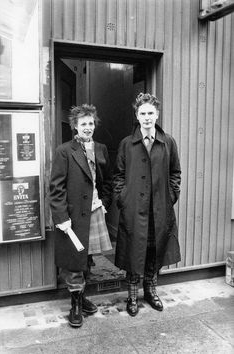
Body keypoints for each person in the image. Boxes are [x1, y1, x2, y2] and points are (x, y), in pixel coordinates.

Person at [113, 93, 181, 316]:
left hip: (160, 210)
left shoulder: (168, 142)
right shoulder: (126, 144)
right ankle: (132, 296)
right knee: (135, 251)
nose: (147, 117)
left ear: (157, 114)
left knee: (155, 250)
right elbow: (119, 175)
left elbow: (175, 173)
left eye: (151, 113)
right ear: (137, 115)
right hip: (134, 209)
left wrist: (171, 195)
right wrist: (123, 198)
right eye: (142, 113)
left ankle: (150, 291)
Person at [50, 104, 112, 327]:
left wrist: (104, 201)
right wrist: (61, 218)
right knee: (75, 261)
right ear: (75, 126)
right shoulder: (64, 151)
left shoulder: (101, 149)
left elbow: (107, 180)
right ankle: (75, 304)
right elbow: (56, 189)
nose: (88, 127)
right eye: (83, 123)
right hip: (73, 217)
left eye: (91, 123)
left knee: (87, 259)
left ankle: (83, 297)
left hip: (95, 211)